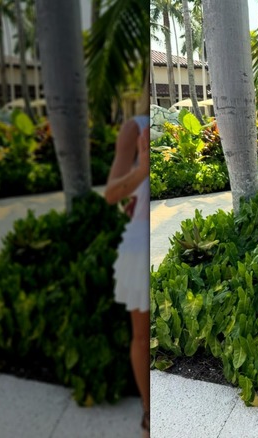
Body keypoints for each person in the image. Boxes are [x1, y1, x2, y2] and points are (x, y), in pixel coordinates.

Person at [104, 108, 150, 437]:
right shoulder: (134, 129)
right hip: (138, 243)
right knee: (142, 335)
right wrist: (142, 171)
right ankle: (149, 411)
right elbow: (111, 195)